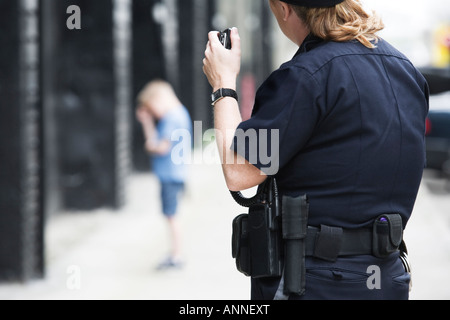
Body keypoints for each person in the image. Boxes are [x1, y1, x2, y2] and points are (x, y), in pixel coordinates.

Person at [203, 0, 429, 300]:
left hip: (315, 281)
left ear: (284, 8)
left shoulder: (305, 75)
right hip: (386, 278)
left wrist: (223, 85)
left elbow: (239, 172)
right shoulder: (406, 70)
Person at [136, 80, 192, 270]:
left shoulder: (171, 118)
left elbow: (157, 147)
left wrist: (147, 123)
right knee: (172, 214)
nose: (154, 114)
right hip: (177, 173)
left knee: (171, 215)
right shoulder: (181, 113)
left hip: (170, 175)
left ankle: (176, 256)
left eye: (153, 109)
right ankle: (175, 254)